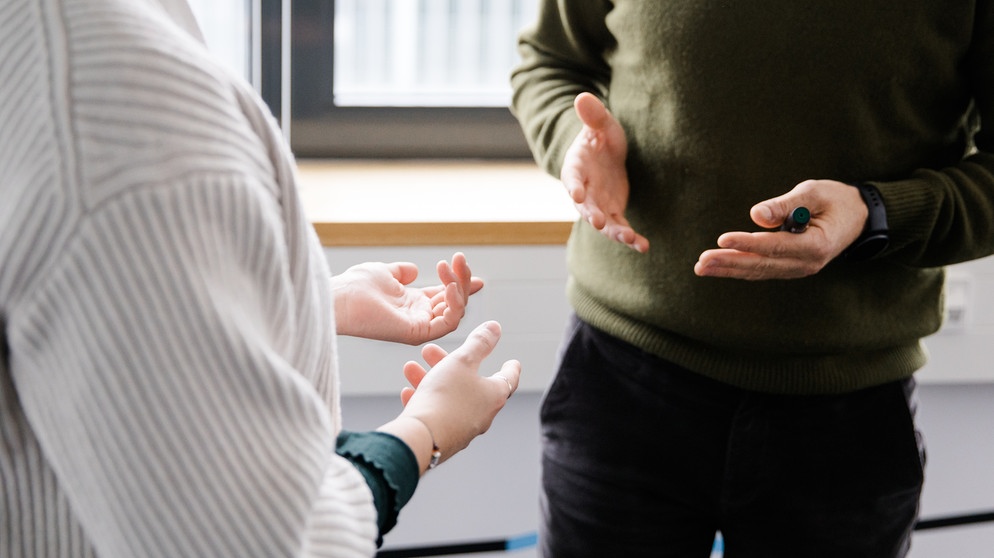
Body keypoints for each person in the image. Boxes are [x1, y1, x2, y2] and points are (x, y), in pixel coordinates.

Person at [0, 1, 521, 557]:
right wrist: (427, 431)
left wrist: (315, 301)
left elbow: (92, 312)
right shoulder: (110, 114)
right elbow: (266, 544)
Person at [511, 2, 994, 557]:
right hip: (618, 385)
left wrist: (877, 213)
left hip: (845, 412)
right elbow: (547, 61)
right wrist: (575, 140)